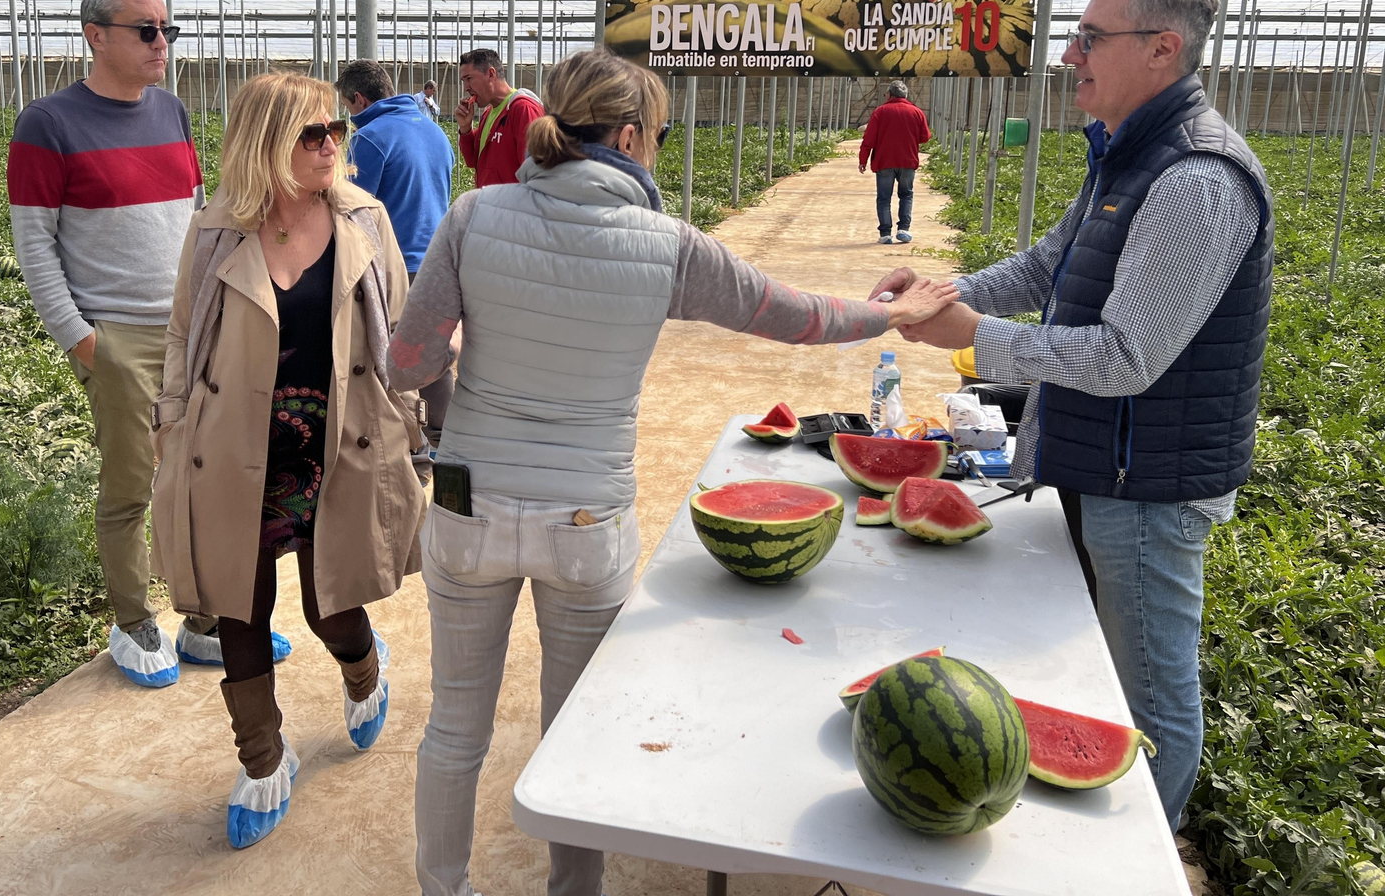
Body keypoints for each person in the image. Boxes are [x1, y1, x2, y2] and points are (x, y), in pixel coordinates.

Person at [390, 48, 956, 896]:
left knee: (454, 726)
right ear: (627, 135)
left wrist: (472, 345)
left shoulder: (475, 215)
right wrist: (890, 314)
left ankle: (444, 887)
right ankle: (572, 891)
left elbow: (407, 362)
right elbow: (794, 315)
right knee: (572, 730)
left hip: (470, 509)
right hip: (587, 524)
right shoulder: (669, 245)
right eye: (654, 135)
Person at [876, 0, 1271, 833]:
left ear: (1161, 49)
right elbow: (1047, 265)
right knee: (1101, 675)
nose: (1068, 53)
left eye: (1091, 37)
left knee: (1151, 698)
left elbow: (1128, 357)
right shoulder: (1127, 156)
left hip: (1151, 491)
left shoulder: (1194, 179)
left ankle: (1133, 859)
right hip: (1108, 471)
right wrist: (944, 292)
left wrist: (976, 337)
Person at [151, 72, 426, 850]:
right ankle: (263, 758)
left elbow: (397, 328)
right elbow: (183, 338)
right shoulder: (215, 232)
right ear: (266, 141)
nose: (332, 143)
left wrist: (413, 424)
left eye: (337, 129)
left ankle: (362, 669)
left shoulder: (363, 219)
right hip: (235, 447)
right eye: (313, 133)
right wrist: (171, 429)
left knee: (327, 603)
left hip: (341, 443)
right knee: (239, 603)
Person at [8, 0, 286, 686]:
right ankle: (134, 619)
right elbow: (35, 243)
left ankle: (200, 618)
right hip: (118, 335)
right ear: (96, 35)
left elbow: (196, 215)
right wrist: (80, 338)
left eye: (167, 29)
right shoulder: (48, 123)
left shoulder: (171, 109)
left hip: (191, 326)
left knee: (202, 477)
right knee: (133, 483)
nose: (162, 43)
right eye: (146, 30)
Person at [337, 59, 456, 448]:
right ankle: (445, 434)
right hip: (436, 261)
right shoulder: (436, 132)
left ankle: (402, 436)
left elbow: (350, 206)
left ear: (358, 98)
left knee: (384, 352)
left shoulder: (369, 138)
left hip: (393, 263)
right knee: (431, 350)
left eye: (348, 106)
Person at [453, 48, 543, 187]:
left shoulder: (522, 109)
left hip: (513, 207)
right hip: (492, 205)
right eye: (463, 80)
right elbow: (472, 160)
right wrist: (465, 128)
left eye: (469, 79)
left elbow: (536, 175)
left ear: (490, 74)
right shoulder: (489, 113)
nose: (466, 87)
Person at [858, 79, 931, 244]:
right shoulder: (917, 112)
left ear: (889, 94)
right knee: (906, 195)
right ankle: (904, 229)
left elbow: (868, 139)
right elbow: (925, 137)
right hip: (908, 161)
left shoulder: (880, 112)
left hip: (885, 162)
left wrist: (863, 160)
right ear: (905, 95)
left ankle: (885, 234)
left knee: (884, 197)